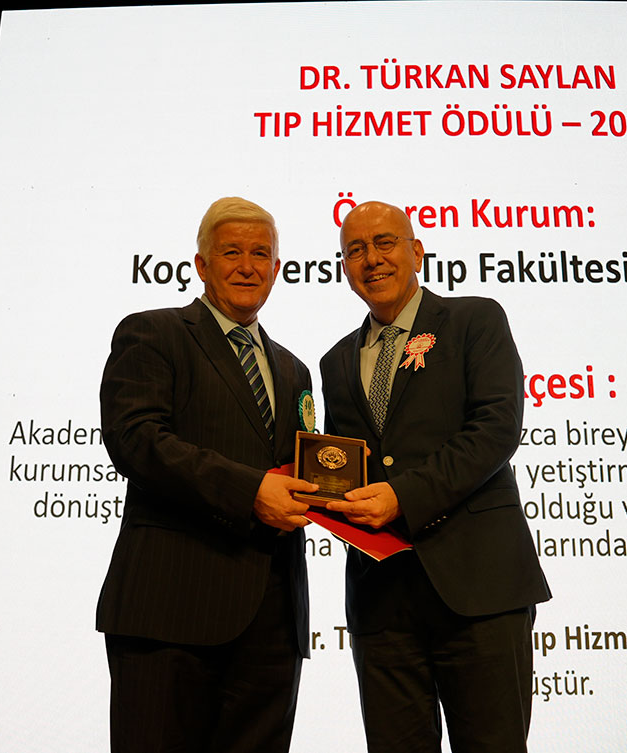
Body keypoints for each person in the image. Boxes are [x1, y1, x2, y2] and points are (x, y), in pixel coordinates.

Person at [320, 201, 551, 753]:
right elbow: (344, 465)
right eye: (355, 250)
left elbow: (496, 428)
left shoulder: (475, 320)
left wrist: (402, 496)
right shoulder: (334, 361)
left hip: (478, 590)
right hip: (381, 603)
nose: (371, 259)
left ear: (417, 252)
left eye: (384, 242)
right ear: (344, 268)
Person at [97, 197, 318, 753]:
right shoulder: (153, 333)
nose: (247, 266)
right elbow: (136, 440)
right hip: (172, 613)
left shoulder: (294, 369)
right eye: (231, 253)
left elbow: (301, 471)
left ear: (277, 268)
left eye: (260, 254)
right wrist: (250, 491)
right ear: (200, 264)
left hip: (273, 624)